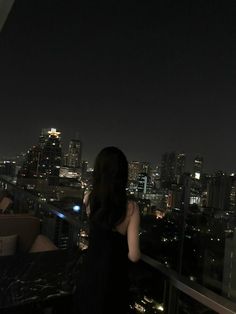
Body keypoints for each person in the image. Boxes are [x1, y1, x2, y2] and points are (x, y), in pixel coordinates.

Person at [75, 146, 140, 314]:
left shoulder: (88, 198)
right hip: (115, 279)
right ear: (123, 175)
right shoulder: (131, 208)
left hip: (90, 273)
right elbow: (134, 255)